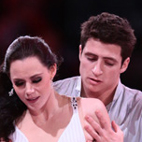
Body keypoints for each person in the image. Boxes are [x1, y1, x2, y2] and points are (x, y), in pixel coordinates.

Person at [0, 35, 123, 142]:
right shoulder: (7, 127)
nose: (29, 90)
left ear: (52, 70)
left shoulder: (90, 111)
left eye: (36, 80)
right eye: (19, 83)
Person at [53, 12, 142, 142]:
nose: (97, 70)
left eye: (109, 63)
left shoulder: (138, 108)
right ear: (80, 53)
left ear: (124, 64)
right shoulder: (51, 96)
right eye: (91, 58)